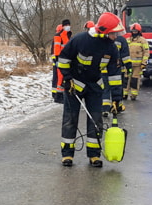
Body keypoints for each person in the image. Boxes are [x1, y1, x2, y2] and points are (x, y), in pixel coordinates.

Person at [57, 13, 120, 168]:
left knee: (96, 120)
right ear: (105, 32)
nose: (116, 35)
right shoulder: (80, 40)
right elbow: (63, 59)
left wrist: (117, 99)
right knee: (70, 120)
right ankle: (67, 155)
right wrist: (67, 79)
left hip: (95, 86)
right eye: (114, 32)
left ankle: (94, 155)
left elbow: (114, 75)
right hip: (74, 85)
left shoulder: (112, 48)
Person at [103, 19, 130, 115]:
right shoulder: (106, 43)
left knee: (112, 88)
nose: (115, 36)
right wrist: (128, 66)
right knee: (113, 87)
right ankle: (112, 106)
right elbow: (125, 55)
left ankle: (113, 106)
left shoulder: (106, 42)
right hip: (112, 69)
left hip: (114, 69)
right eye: (113, 34)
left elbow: (124, 55)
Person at [125, 23, 149, 100]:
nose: (134, 32)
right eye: (133, 31)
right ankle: (124, 94)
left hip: (137, 65)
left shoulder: (143, 41)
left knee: (135, 80)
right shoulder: (127, 40)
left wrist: (144, 62)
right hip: (127, 64)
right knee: (125, 79)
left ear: (139, 31)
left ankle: (133, 95)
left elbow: (146, 52)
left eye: (136, 31)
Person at [51, 19, 72, 103]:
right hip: (60, 59)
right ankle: (58, 96)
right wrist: (56, 59)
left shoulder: (68, 34)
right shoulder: (58, 35)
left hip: (67, 59)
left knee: (63, 78)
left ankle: (62, 95)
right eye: (67, 25)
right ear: (63, 26)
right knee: (60, 77)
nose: (68, 26)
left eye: (69, 25)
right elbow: (56, 48)